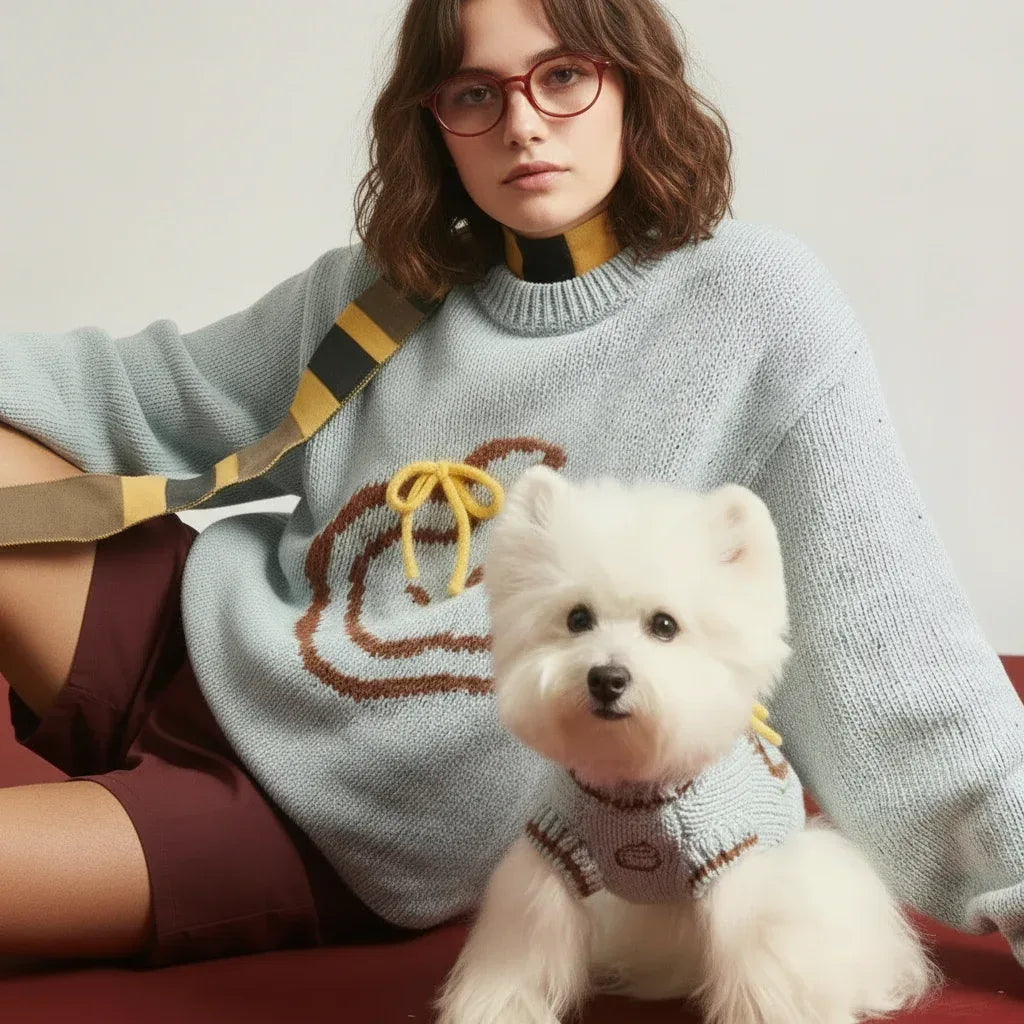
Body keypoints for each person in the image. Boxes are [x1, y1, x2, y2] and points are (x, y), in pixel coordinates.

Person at [1, 0, 1023, 974]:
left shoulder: (754, 307)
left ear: (633, 83)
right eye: (473, 93)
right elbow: (137, 392)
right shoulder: (387, 287)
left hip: (322, 821)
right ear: (435, 121)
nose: (522, 125)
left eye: (563, 76)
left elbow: (896, 652)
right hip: (195, 639)